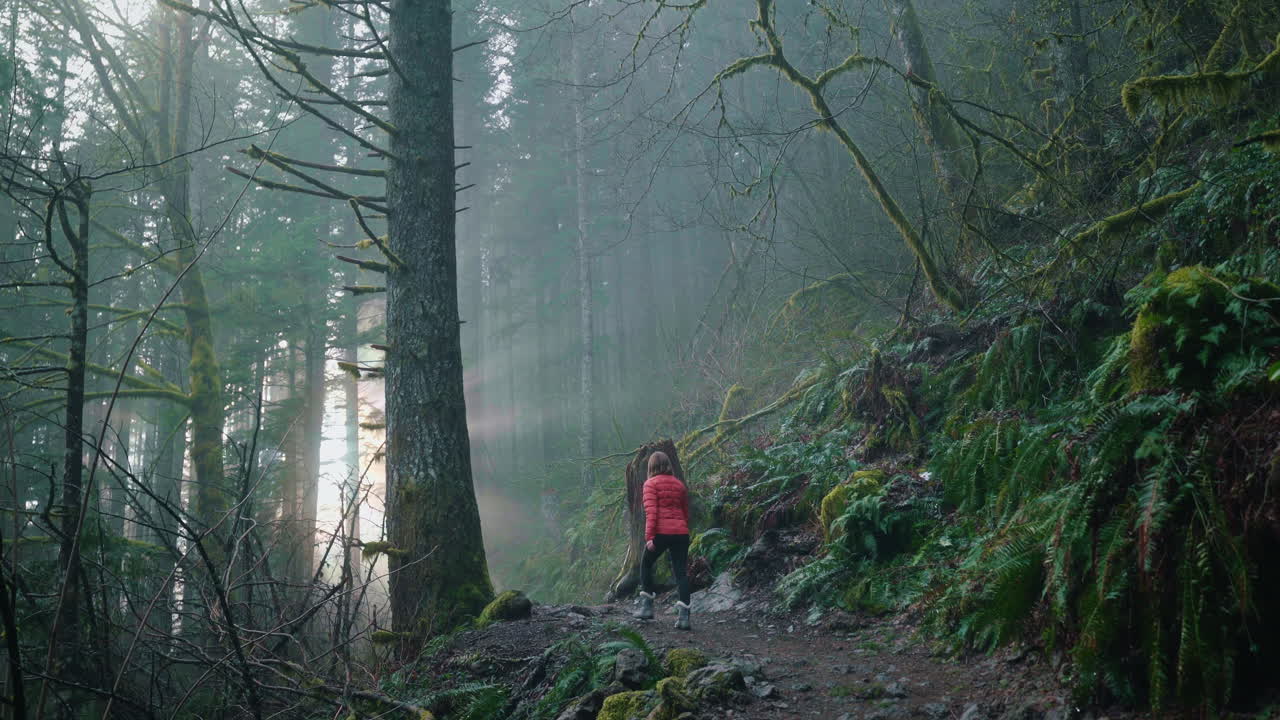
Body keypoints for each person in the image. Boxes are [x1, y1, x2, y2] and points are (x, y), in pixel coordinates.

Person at [635, 450, 692, 630]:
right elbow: (685, 513)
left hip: (661, 532)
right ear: (668, 465)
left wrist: (650, 537)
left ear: (651, 466)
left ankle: (646, 608)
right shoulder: (679, 485)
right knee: (681, 573)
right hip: (681, 533)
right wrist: (682, 528)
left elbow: (651, 513)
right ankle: (684, 618)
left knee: (645, 564)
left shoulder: (650, 484)